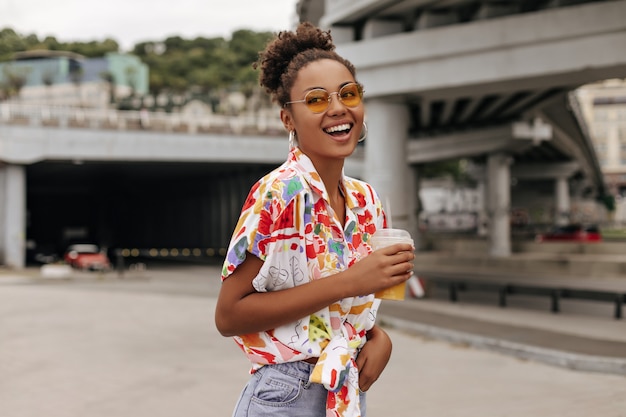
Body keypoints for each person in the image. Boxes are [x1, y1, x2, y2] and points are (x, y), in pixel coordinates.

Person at [215, 22, 415, 417]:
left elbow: (336, 311)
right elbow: (229, 314)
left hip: (343, 389)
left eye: (348, 94)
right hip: (284, 394)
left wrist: (377, 337)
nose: (338, 108)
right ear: (288, 119)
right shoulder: (279, 193)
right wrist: (354, 280)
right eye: (316, 100)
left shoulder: (365, 200)